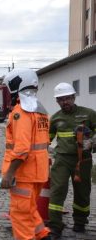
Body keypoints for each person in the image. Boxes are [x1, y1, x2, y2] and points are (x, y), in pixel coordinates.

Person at [0, 68, 51, 240]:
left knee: (20, 215)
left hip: (24, 174)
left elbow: (22, 149)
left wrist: (9, 174)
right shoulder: (41, 111)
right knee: (29, 210)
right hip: (38, 172)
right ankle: (43, 235)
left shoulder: (20, 113)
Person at [48, 82, 96, 237]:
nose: (65, 102)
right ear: (57, 101)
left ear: (74, 97)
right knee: (57, 190)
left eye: (68, 98)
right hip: (62, 159)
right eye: (61, 99)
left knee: (82, 192)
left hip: (83, 160)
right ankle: (55, 225)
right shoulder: (55, 118)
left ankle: (80, 221)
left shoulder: (89, 114)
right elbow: (46, 140)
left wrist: (93, 141)